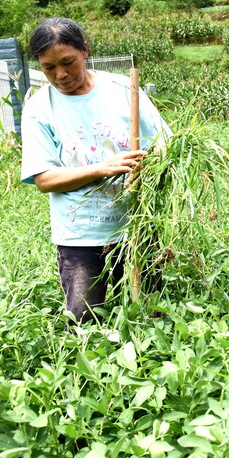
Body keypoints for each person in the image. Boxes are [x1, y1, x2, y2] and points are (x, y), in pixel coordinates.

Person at [20, 17, 170, 323]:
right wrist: (103, 169)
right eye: (48, 67)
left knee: (152, 318)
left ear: (85, 51)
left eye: (68, 62)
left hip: (137, 227)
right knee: (86, 325)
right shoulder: (39, 108)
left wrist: (152, 165)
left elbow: (165, 146)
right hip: (81, 237)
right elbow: (45, 179)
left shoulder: (122, 89)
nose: (60, 74)